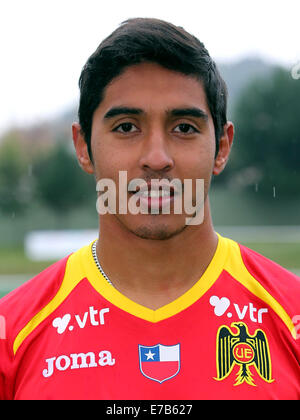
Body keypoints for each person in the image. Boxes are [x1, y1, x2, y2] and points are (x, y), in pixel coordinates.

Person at [0, 17, 299, 401]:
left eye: (184, 127)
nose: (157, 158)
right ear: (83, 146)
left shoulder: (290, 319)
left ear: (222, 148)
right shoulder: (13, 335)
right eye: (126, 127)